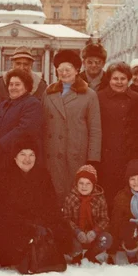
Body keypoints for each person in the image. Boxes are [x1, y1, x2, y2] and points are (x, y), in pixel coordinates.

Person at [0, 140, 73, 268]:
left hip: (40, 222)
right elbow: (0, 209)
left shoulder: (43, 175)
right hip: (16, 224)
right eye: (22, 154)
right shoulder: (3, 176)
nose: (27, 159)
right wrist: (27, 225)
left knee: (60, 229)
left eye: (31, 155)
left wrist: (40, 222)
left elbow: (51, 205)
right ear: (15, 156)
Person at [42, 49, 101, 204]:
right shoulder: (48, 93)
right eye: (60, 70)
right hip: (53, 153)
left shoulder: (89, 95)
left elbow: (95, 129)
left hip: (76, 154)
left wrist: (92, 159)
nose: (64, 73)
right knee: (53, 194)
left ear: (77, 70)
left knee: (75, 196)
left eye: (68, 69)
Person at [97, 61, 138, 206]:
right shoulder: (99, 98)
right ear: (109, 79)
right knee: (107, 192)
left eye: (123, 79)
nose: (119, 82)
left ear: (128, 80)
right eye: (115, 78)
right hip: (106, 155)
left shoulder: (137, 99)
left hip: (128, 154)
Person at [0, 69, 43, 171]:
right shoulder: (3, 105)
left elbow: (24, 129)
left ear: (26, 87)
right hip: (0, 158)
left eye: (17, 84)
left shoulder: (32, 104)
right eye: (11, 84)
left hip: (18, 159)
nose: (13, 88)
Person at [63, 165, 112, 265]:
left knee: (107, 238)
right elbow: (66, 218)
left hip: (93, 235)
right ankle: (77, 254)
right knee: (66, 237)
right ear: (76, 184)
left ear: (93, 185)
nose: (84, 186)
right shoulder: (70, 198)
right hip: (76, 235)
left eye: (88, 184)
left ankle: (91, 254)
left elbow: (105, 219)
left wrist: (95, 232)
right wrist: (77, 231)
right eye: (81, 183)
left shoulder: (100, 199)